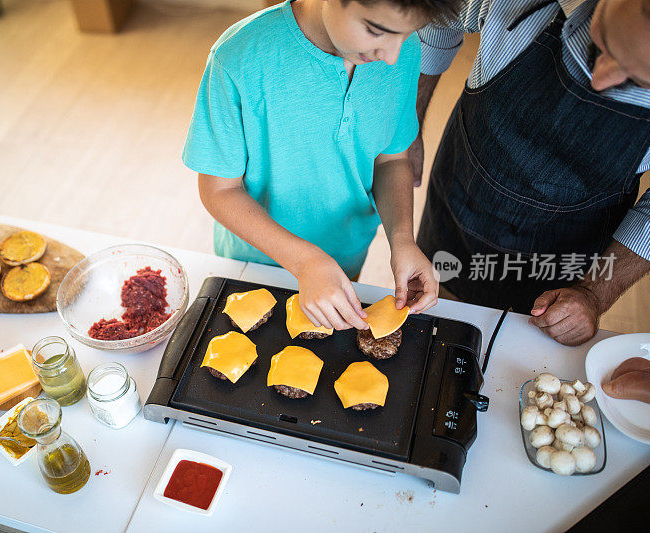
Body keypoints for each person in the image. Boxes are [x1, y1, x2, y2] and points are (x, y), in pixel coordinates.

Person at [182, 0, 458, 330]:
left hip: (345, 256)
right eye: (375, 30)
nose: (392, 55)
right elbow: (220, 191)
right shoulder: (237, 58)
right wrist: (306, 261)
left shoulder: (403, 51)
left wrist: (402, 240)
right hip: (255, 262)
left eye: (408, 33)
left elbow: (391, 159)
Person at [410, 0, 650, 345]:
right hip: (459, 204)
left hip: (561, 260)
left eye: (637, 82)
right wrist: (409, 124)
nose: (600, 78)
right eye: (601, 42)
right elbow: (437, 17)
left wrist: (594, 294)